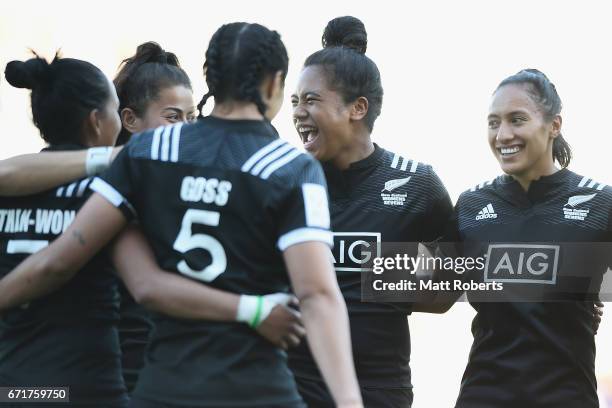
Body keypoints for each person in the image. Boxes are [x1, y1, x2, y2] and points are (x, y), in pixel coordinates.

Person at [0, 22, 363, 408]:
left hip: (153, 388)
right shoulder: (290, 167)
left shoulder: (147, 155)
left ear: (210, 77)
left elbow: (70, 264)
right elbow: (319, 295)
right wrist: (349, 401)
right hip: (250, 388)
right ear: (274, 85)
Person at [288, 16, 453, 408]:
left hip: (379, 389)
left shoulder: (418, 185)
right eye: (295, 101)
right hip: (291, 387)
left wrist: (386, 281)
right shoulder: (282, 182)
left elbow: (451, 285)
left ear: (357, 108)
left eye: (311, 100)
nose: (297, 112)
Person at [437, 69, 612, 407]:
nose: (503, 135)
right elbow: (433, 293)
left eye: (517, 120)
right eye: (493, 123)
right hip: (483, 396)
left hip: (566, 397)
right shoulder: (471, 205)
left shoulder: (600, 203)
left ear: (554, 125)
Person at [0, 53, 128, 407]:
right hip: (87, 388)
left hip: (14, 388)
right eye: (116, 111)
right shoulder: (110, 187)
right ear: (95, 121)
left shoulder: (14, 184)